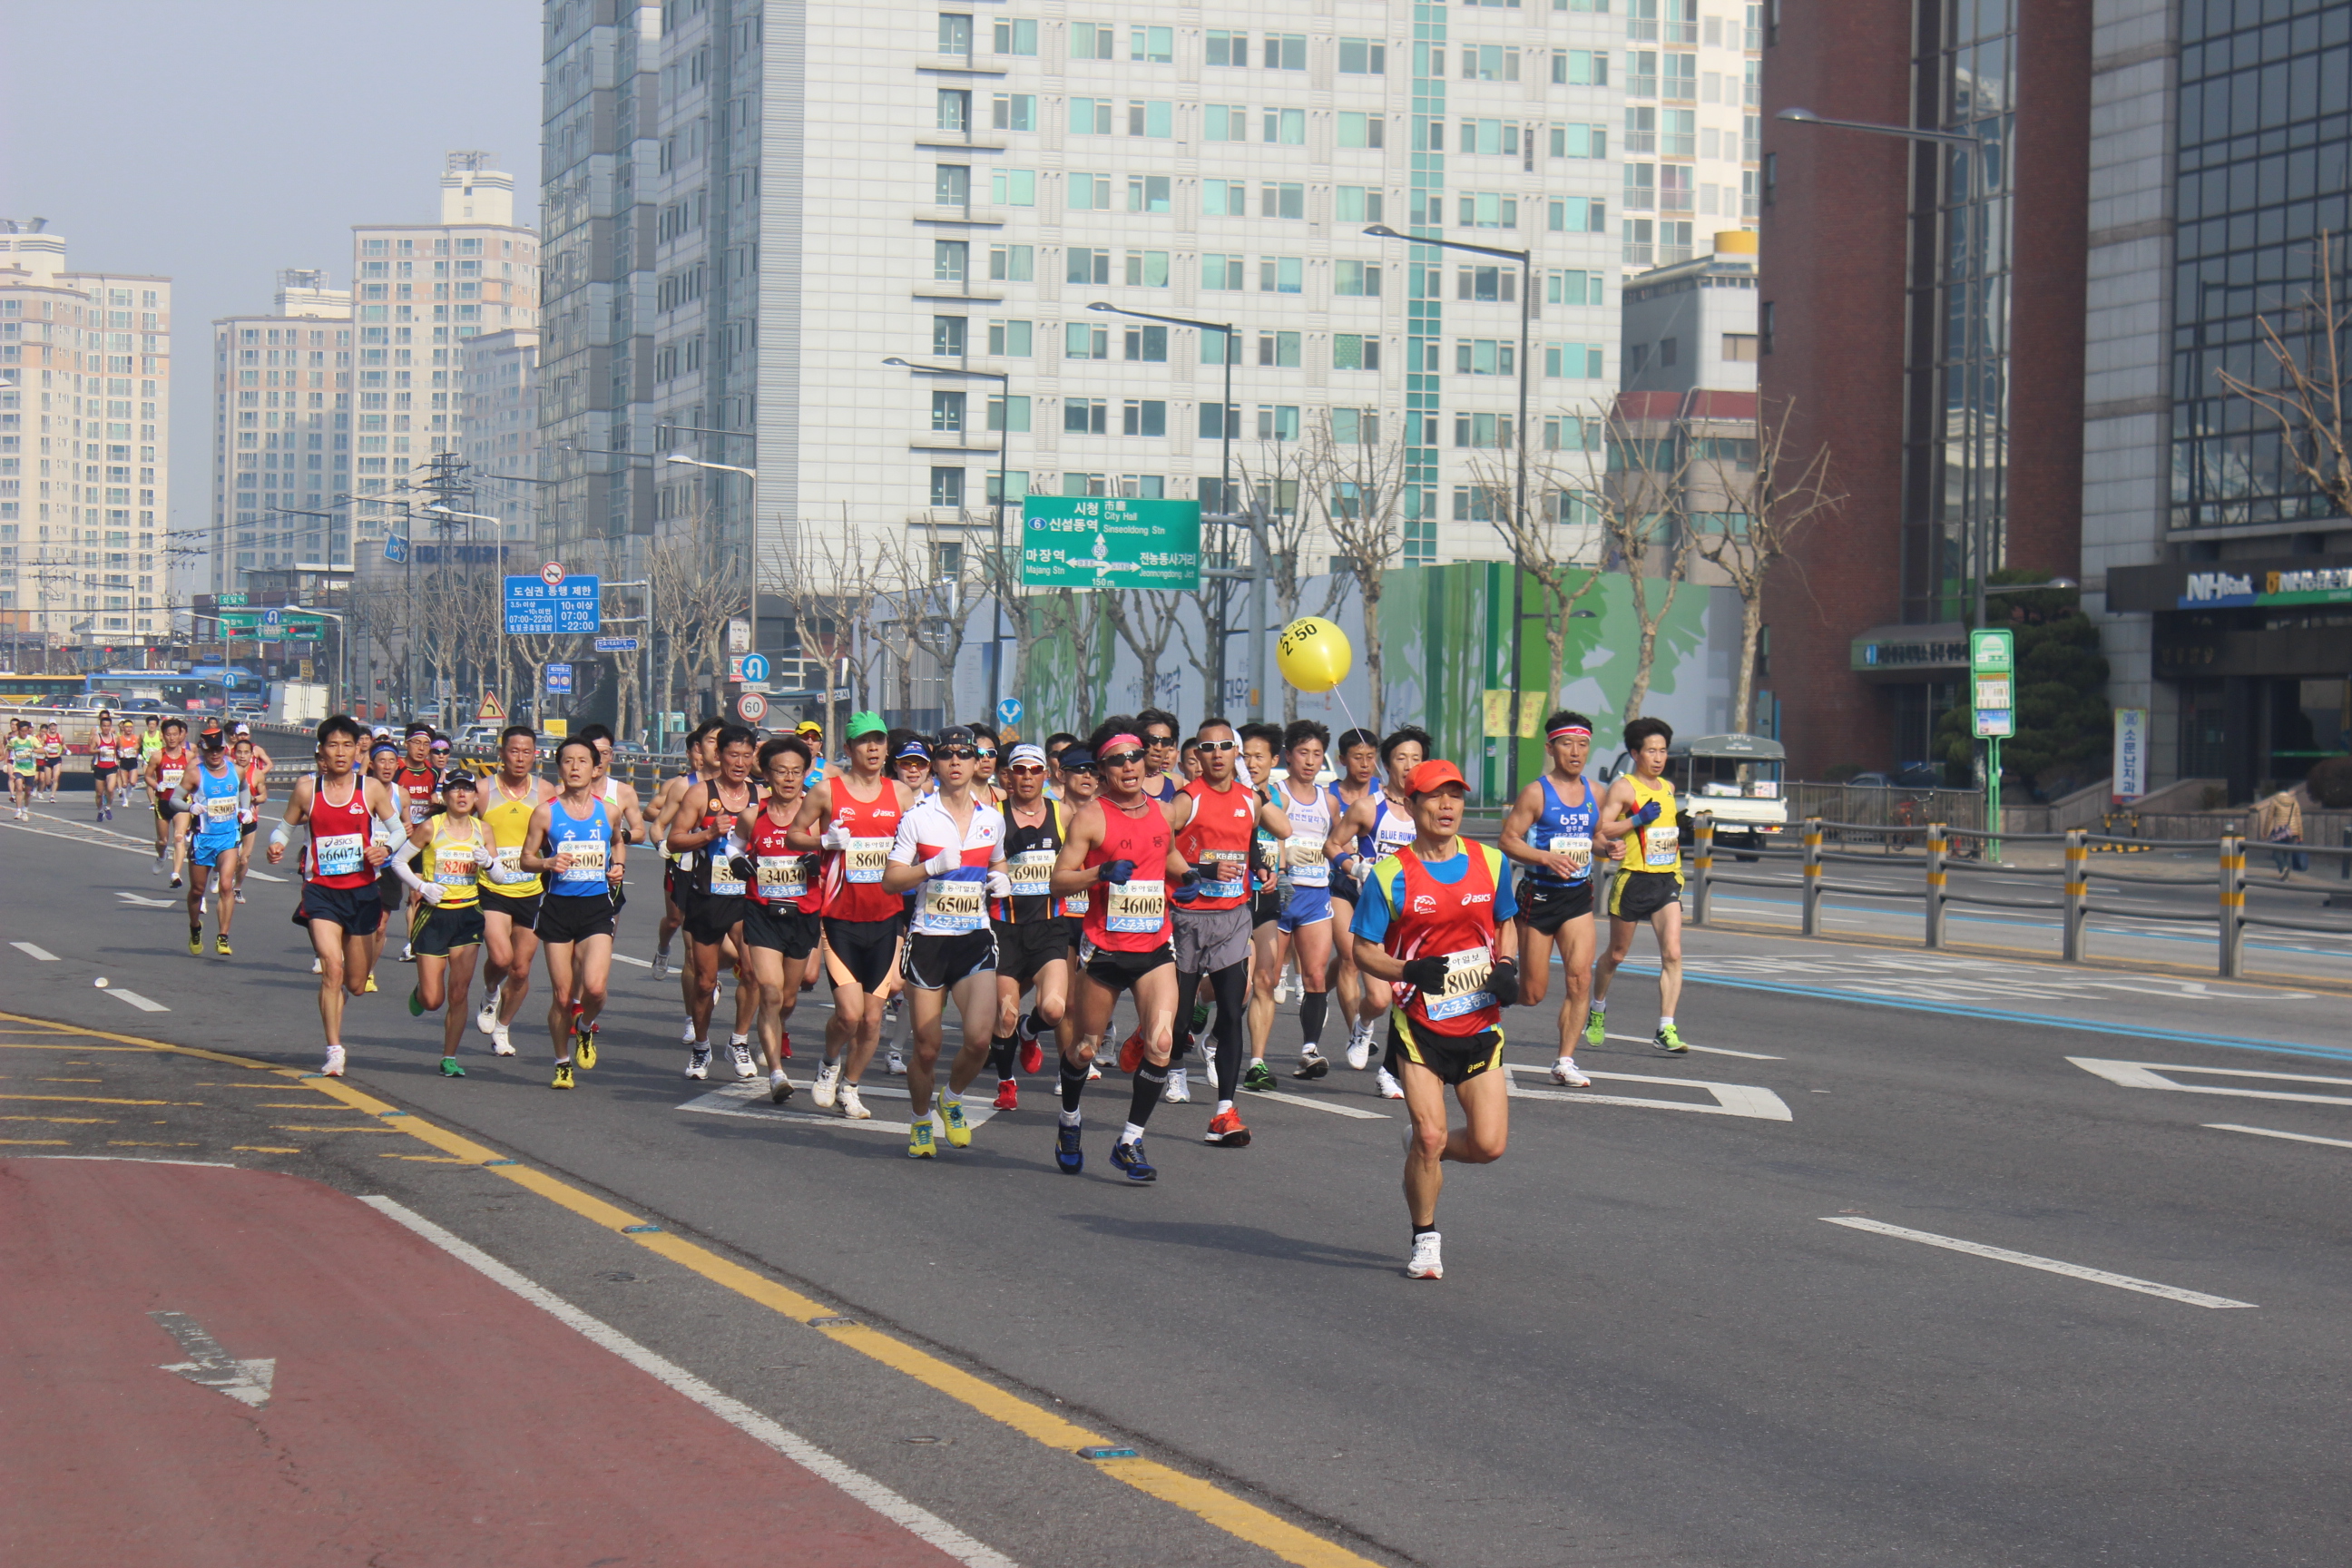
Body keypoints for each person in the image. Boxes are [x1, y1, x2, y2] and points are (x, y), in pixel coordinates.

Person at [1350, 759, 1520, 1281]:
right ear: (1413, 802)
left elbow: (1505, 922)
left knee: (1490, 1146)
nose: (1448, 807)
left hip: (1477, 1023)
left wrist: (1508, 965)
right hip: (1420, 1024)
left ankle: (1426, 1148)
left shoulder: (1491, 863)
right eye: (1435, 797)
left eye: (1456, 796)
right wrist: (1409, 969)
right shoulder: (1391, 874)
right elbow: (1362, 949)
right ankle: (1425, 1237)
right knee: (1430, 1136)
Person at [1046, 718, 1193, 1181]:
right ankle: (1070, 1121)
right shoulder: (1091, 816)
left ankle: (1129, 1141)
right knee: (1086, 1049)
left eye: (1135, 755)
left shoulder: (1164, 811)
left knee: (1162, 1042)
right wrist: (1099, 873)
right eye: (1117, 759)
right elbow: (1057, 879)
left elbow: (1166, 854)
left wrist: (1188, 877)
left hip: (1154, 942)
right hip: (1106, 947)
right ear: (1104, 767)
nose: (1129, 766)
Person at [881, 725, 1009, 1158]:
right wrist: (931, 866)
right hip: (929, 939)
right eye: (948, 755)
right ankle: (920, 1121)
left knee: (978, 1040)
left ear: (978, 764)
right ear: (936, 762)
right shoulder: (919, 816)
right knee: (927, 1046)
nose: (956, 762)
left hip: (974, 937)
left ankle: (950, 1099)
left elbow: (999, 860)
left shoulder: (992, 818)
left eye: (965, 754)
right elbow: (890, 880)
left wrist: (1002, 879)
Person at [1167, 718, 1292, 1149]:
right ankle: (1175, 1069)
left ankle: (1224, 1111)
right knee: (1180, 1018)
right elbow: (1157, 846)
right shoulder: (1187, 801)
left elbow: (1263, 836)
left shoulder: (1249, 799)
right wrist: (1199, 870)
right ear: (1198, 755)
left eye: (1225, 746)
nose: (1217, 753)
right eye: (1208, 747)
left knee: (1233, 1007)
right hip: (1187, 916)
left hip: (1233, 917)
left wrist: (1260, 867)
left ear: (1235, 753)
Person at [789, 710, 911, 1121]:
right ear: (849, 748)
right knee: (849, 1014)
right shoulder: (827, 791)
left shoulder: (901, 795)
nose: (873, 748)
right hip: (839, 917)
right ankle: (828, 1063)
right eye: (864, 741)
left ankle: (851, 1086)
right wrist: (824, 840)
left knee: (873, 1018)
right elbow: (793, 834)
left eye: (879, 740)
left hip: (887, 919)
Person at [268, 714, 401, 1077]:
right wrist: (277, 844)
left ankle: (338, 1009)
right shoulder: (307, 788)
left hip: (362, 894)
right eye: (333, 745)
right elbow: (285, 825)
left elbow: (400, 831)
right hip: (321, 893)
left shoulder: (370, 788)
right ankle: (334, 1049)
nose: (341, 752)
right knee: (332, 968)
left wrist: (384, 850)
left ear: (358, 749)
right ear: (322, 752)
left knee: (355, 984)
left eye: (348, 745)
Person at [1499, 711, 1622, 1087]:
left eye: (1583, 744)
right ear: (1551, 747)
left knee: (1579, 980)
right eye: (1567, 744)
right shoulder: (1536, 792)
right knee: (1532, 993)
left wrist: (1608, 848)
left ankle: (1565, 1060)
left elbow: (1595, 837)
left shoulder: (1596, 792)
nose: (1576, 752)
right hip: (1538, 897)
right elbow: (1508, 840)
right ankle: (1487, 1002)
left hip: (1577, 899)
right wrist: (1545, 857)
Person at [520, 736, 630, 1090]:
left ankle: (584, 1029)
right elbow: (526, 859)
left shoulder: (608, 811)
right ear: (560, 768)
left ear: (595, 768)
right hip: (557, 910)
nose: (575, 767)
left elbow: (617, 841)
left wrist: (618, 866)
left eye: (583, 761)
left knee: (595, 989)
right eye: (568, 761)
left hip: (597, 907)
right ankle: (561, 1061)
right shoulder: (546, 812)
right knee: (562, 996)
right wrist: (548, 862)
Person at [1330, 726, 1432, 1097]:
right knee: (1378, 998)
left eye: (1417, 759)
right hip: (1361, 903)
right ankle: (1362, 1026)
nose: (1409, 766)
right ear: (1387, 763)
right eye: (1401, 758)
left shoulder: (1428, 810)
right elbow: (1332, 845)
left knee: (1410, 1000)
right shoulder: (1367, 807)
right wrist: (1355, 867)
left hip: (1408, 916)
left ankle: (1389, 1072)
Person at [667, 723, 762, 1080]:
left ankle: (739, 1042)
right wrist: (709, 832)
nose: (739, 762)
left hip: (747, 897)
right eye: (732, 755)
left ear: (754, 757)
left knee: (752, 972)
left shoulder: (760, 795)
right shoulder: (700, 794)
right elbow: (674, 841)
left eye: (746, 755)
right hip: (707, 895)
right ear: (719, 755)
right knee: (705, 981)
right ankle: (701, 1046)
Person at [1591, 716, 1690, 1053]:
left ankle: (1666, 1028)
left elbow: (1665, 831)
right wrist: (1636, 820)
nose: (1659, 758)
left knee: (1673, 953)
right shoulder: (1624, 788)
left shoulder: (1669, 788)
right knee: (1617, 954)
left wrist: (1680, 830)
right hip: (1633, 880)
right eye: (1651, 751)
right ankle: (1598, 1008)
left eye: (1663, 751)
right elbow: (1601, 829)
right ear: (1636, 753)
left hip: (1666, 880)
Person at [1249, 720, 1338, 1087]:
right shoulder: (1277, 793)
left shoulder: (1328, 800)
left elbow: (1335, 843)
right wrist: (1282, 864)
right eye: (1303, 753)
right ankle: (1256, 1057)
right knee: (1266, 979)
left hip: (1316, 895)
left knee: (1316, 975)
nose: (1311, 761)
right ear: (1288, 756)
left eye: (1317, 754)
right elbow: (1268, 833)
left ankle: (1310, 1050)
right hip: (1282, 892)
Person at [987, 742, 1073, 1112]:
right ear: (1008, 775)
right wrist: (992, 876)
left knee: (1053, 1010)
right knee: (1004, 1014)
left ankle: (1030, 1031)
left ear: (1045, 774)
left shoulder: (1062, 814)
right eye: (1019, 770)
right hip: (1004, 927)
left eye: (1034, 770)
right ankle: (1006, 1083)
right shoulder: (993, 815)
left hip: (1049, 925)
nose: (1026, 777)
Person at [738, 734, 822, 1102]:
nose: (788, 779)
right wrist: (737, 861)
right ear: (767, 775)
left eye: (796, 772)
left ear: (806, 773)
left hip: (804, 914)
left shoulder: (817, 816)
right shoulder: (752, 814)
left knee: (787, 999)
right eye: (780, 771)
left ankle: (774, 1031)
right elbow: (733, 845)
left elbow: (837, 852)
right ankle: (775, 1073)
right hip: (762, 913)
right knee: (769, 991)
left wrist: (817, 860)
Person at [391, 769, 491, 1077]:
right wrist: (422, 888)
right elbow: (398, 861)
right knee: (434, 1000)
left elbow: (498, 874)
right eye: (455, 790)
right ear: (444, 796)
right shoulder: (430, 827)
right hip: (434, 915)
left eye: (467, 790)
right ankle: (421, 991)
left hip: (468, 915)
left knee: (459, 992)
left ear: (476, 797)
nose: (461, 795)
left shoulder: (483, 830)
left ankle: (449, 1057)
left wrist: (488, 862)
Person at [475, 724, 554, 1057]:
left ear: (535, 755)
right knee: (501, 958)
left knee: (521, 969)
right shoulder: (483, 790)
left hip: (531, 890)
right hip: (491, 887)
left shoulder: (546, 791)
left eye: (527, 752)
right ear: (501, 753)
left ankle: (504, 1028)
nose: (520, 758)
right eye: (513, 751)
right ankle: (491, 992)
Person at [1326, 727, 1383, 1066]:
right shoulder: (1330, 794)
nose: (1365, 764)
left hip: (1377, 890)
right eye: (1357, 757)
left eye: (1370, 757)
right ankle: (1356, 1032)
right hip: (1340, 884)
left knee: (1342, 963)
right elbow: (1330, 838)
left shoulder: (1383, 795)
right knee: (1350, 957)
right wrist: (1351, 861)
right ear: (1342, 759)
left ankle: (1317, 990)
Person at [649, 719, 722, 979]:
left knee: (736, 949)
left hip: (727, 873)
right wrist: (661, 844)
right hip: (686, 866)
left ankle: (710, 975)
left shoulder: (744, 786)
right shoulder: (682, 785)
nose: (717, 748)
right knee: (676, 923)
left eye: (722, 741)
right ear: (699, 747)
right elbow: (657, 825)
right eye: (711, 741)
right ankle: (665, 948)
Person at [173, 723, 247, 955]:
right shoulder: (196, 773)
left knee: (226, 885)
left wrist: (245, 809)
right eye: (210, 750)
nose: (214, 754)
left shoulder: (236, 770)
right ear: (203, 750)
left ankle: (223, 937)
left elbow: (243, 788)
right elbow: (174, 799)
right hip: (203, 839)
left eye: (218, 749)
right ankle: (195, 927)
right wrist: (190, 806)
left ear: (224, 749)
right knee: (197, 889)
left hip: (229, 837)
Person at [143, 717, 191, 872]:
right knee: (163, 841)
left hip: (182, 802)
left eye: (175, 734)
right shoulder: (158, 756)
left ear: (181, 735)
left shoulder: (189, 756)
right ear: (163, 736)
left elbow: (197, 776)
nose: (172, 738)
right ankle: (161, 856)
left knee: (179, 837)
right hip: (163, 802)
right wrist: (158, 785)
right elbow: (147, 776)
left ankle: (176, 874)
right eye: (168, 735)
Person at [2256, 783, 2308, 878]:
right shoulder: (2294, 802)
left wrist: (2265, 831)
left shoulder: (2275, 800)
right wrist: (2300, 834)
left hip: (2280, 831)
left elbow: (2269, 817)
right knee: (2287, 852)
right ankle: (2286, 873)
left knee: (2276, 852)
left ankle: (2283, 869)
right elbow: (2298, 819)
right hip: (2293, 831)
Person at [1135, 708, 1183, 804]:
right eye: (1153, 740)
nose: (1158, 747)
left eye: (1166, 742)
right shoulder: (1128, 780)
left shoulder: (1176, 782)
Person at [90, 711, 122, 821]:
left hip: (111, 767)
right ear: (101, 726)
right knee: (99, 793)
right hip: (99, 767)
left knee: (110, 789)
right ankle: (100, 810)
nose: (106, 728)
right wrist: (99, 750)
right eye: (104, 726)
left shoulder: (115, 738)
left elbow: (119, 748)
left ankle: (108, 807)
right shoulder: (96, 738)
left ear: (111, 727)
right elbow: (90, 750)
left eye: (108, 726)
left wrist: (120, 753)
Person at [6, 719, 34, 821]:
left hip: (30, 769)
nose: (24, 733)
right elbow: (8, 750)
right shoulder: (13, 741)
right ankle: (18, 810)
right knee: (18, 787)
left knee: (27, 792)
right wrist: (7, 762)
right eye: (22, 731)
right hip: (18, 768)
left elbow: (42, 749)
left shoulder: (32, 740)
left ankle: (25, 810)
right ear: (19, 731)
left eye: (26, 731)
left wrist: (32, 750)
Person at [36, 719, 64, 802]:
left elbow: (62, 744)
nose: (53, 727)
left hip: (57, 759)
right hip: (48, 759)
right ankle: (48, 785)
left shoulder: (60, 736)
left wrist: (65, 750)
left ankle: (52, 796)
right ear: (49, 727)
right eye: (51, 726)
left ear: (56, 727)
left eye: (54, 726)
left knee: (55, 777)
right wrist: (45, 748)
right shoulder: (45, 736)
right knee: (47, 781)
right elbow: (40, 745)